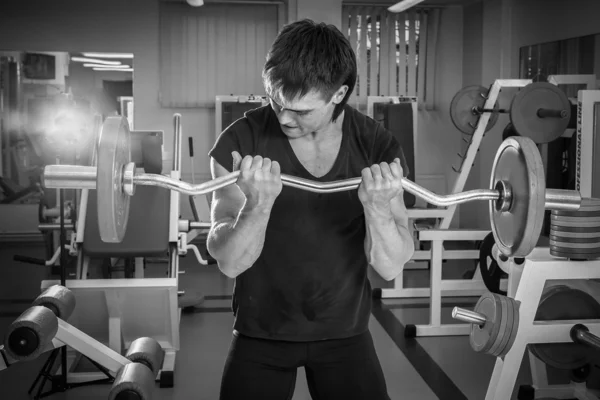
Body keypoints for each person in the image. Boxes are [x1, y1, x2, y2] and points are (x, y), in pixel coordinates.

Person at [206, 18, 415, 400]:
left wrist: (378, 209)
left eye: (300, 111)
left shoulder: (376, 146)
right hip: (261, 331)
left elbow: (390, 265)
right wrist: (258, 205)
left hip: (345, 332)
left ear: (339, 94)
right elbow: (230, 262)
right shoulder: (240, 142)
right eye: (276, 101)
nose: (284, 117)